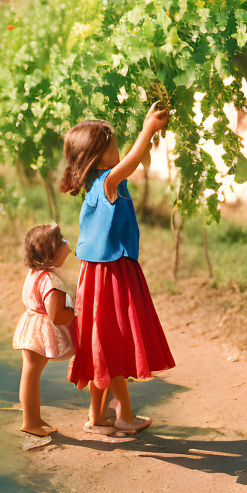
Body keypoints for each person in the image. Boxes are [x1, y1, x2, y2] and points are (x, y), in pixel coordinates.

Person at [60, 105, 174, 438]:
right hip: (109, 275)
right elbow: (134, 160)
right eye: (112, 144)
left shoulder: (104, 183)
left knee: (107, 346)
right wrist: (148, 129)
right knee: (111, 343)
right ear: (97, 155)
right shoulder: (106, 183)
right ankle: (113, 415)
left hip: (103, 273)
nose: (118, 148)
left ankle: (108, 416)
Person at [12, 222, 76, 437]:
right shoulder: (50, 280)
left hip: (30, 323)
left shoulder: (34, 273)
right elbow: (56, 314)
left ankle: (33, 418)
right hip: (39, 331)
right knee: (31, 374)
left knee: (30, 374)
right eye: (61, 243)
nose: (66, 245)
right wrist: (76, 312)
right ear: (50, 255)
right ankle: (30, 421)